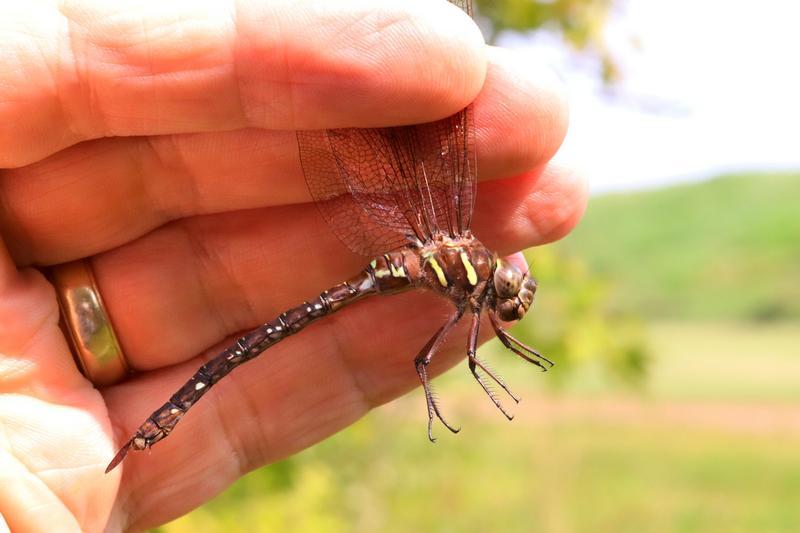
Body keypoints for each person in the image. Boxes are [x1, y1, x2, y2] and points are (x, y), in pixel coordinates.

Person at [0, 1, 586, 530]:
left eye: (511, 295)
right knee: (438, 72)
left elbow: (463, 342)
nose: (510, 298)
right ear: (494, 281)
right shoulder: (470, 273)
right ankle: (163, 418)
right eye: (511, 292)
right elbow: (431, 354)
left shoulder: (469, 272)